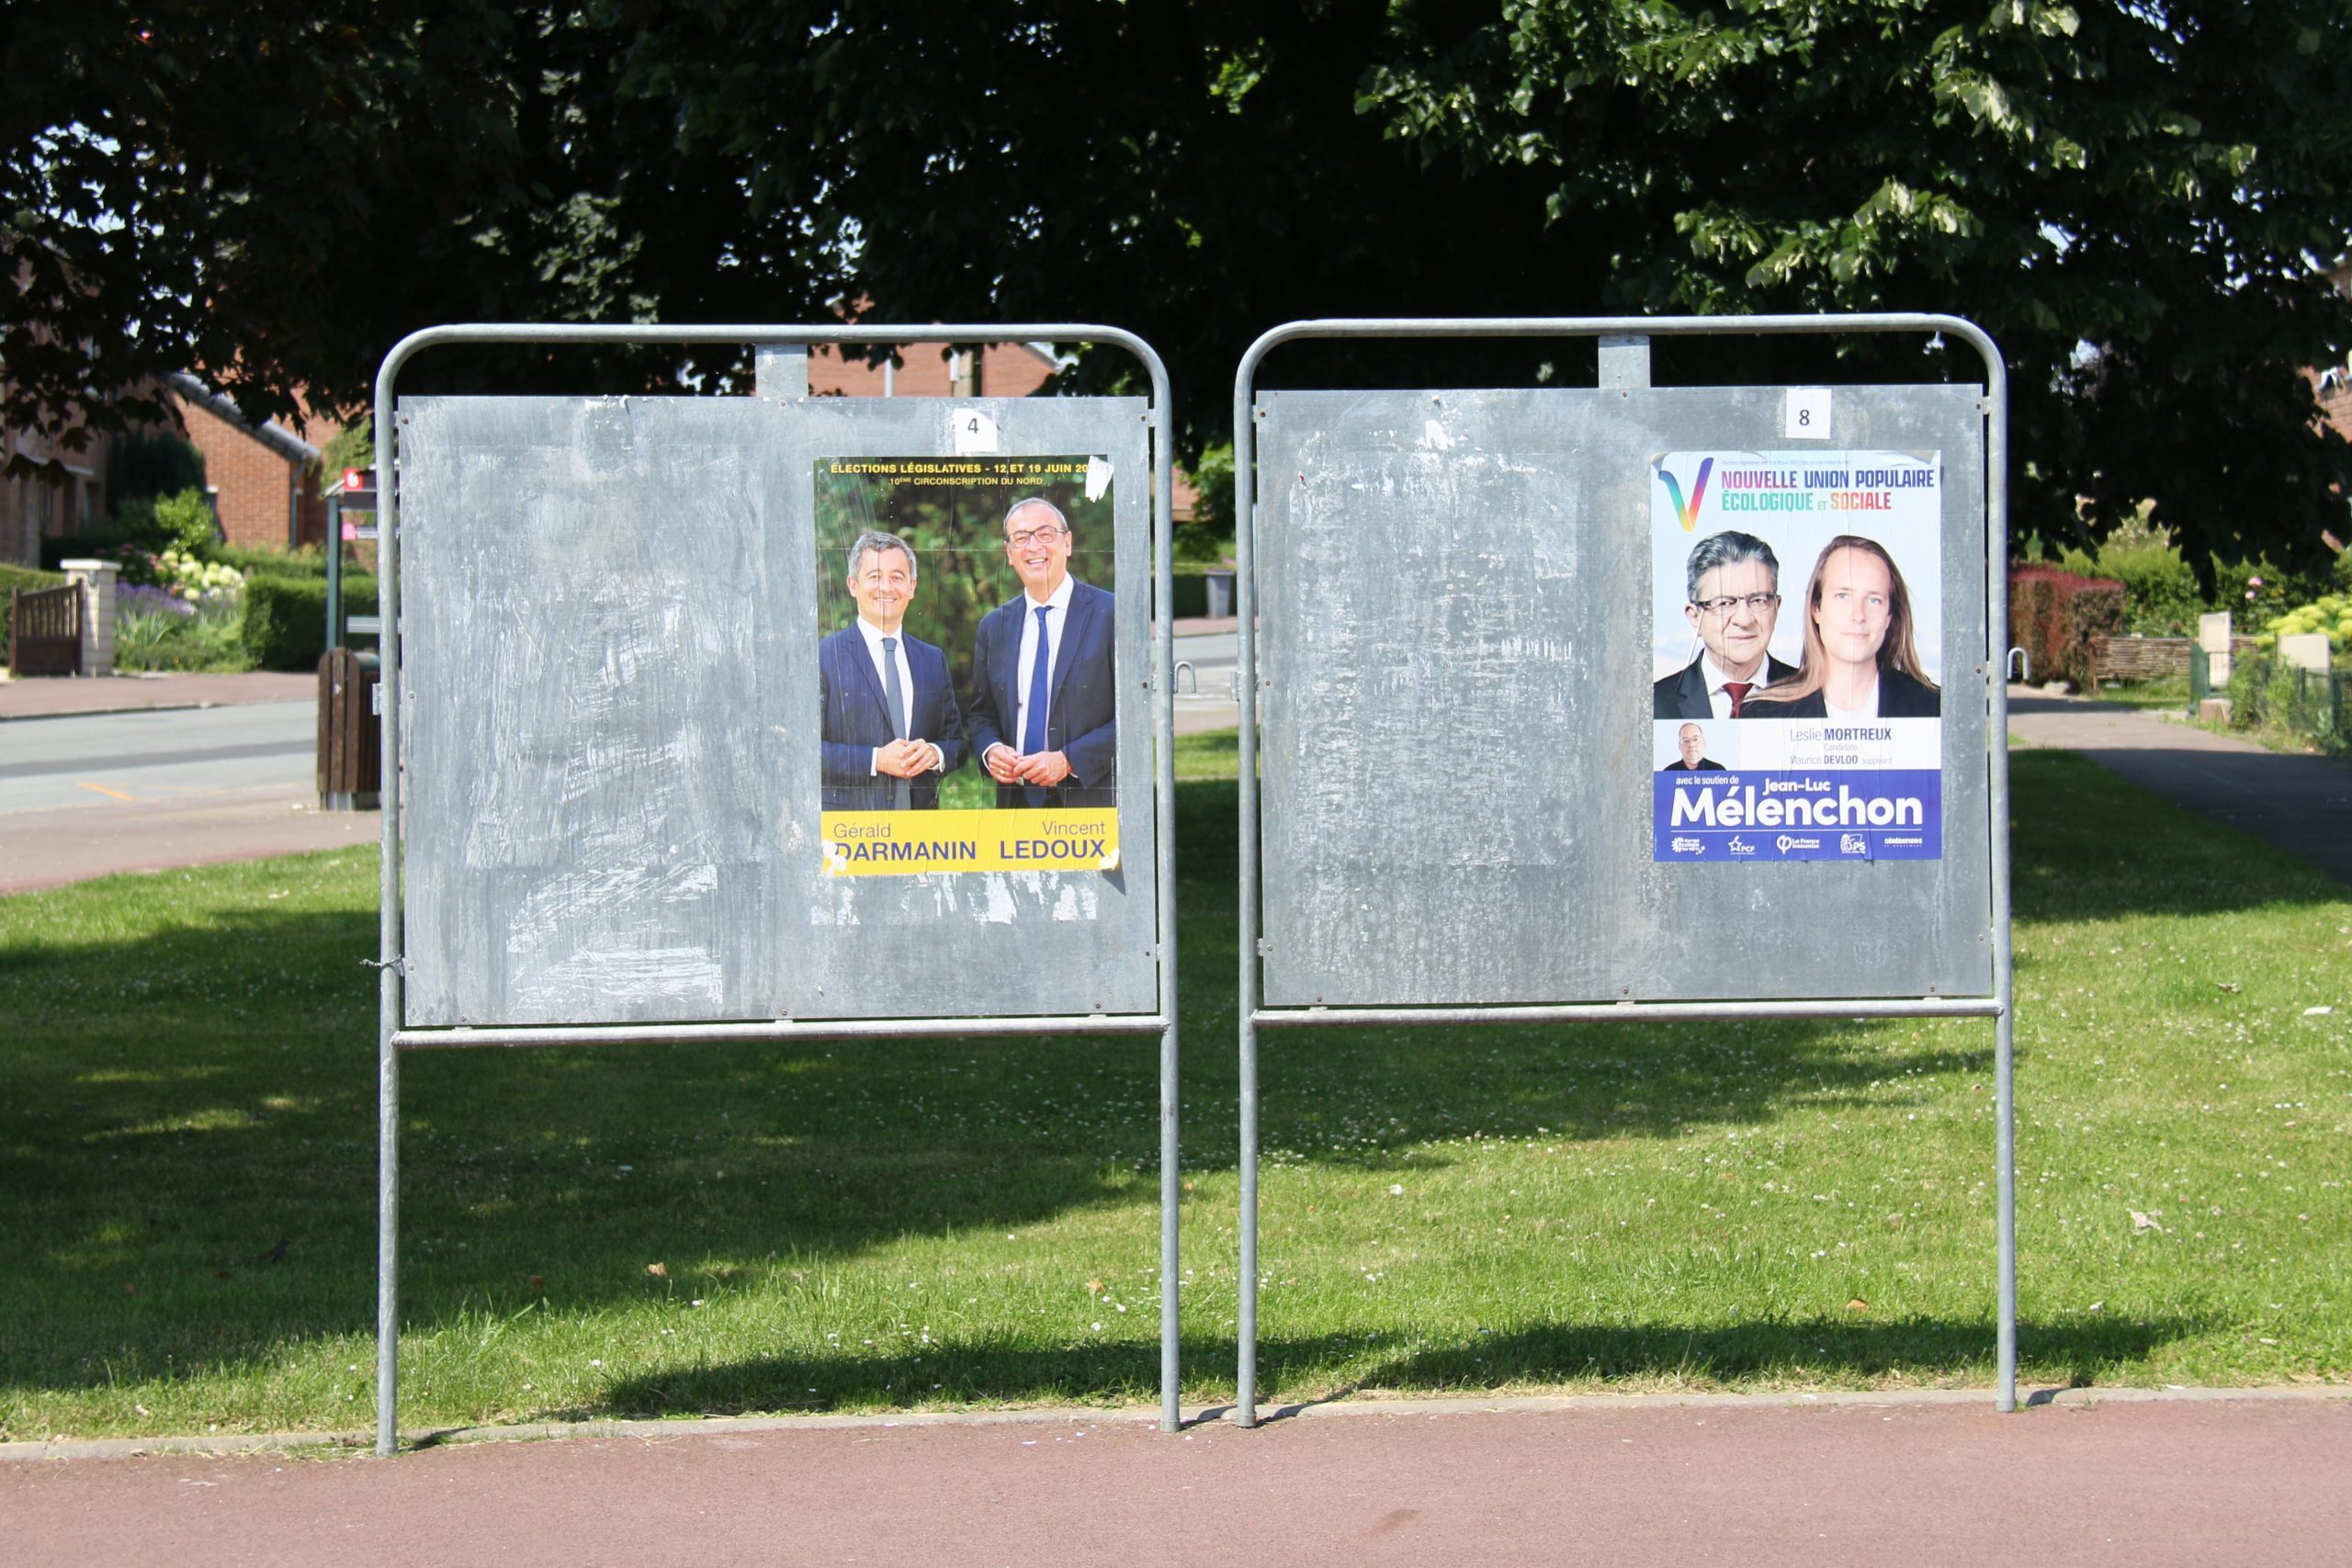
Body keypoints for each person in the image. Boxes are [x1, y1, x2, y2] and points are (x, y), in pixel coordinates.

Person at [966, 497, 1116, 808]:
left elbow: (1136, 715)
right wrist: (991, 750)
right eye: (1020, 538)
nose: (1033, 547)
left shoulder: (1111, 613)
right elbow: (981, 714)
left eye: (1045, 534)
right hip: (1016, 806)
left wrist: (1069, 760)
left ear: (1068, 543)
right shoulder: (995, 627)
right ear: (1009, 553)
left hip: (1091, 803)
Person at [819, 530, 967, 809]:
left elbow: (956, 743)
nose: (886, 587)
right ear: (853, 585)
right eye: (874, 576)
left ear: (912, 587)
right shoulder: (822, 658)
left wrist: (934, 754)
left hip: (920, 835)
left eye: (897, 577)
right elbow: (804, 751)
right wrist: (877, 759)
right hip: (849, 835)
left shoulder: (932, 660)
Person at [1741, 535, 1940, 719]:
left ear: (1889, 617)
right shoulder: (1762, 714)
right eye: (1843, 596)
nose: (1858, 615)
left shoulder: (1935, 707)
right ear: (1816, 609)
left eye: (1874, 600)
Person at [1653, 530, 1799, 718]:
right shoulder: (1656, 703)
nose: (1744, 620)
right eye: (1724, 603)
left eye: (1758, 600)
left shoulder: (1815, 695)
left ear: (1776, 607)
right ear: (1695, 616)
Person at [1660, 722, 1724, 772]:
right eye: (1686, 740)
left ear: (1703, 743)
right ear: (1679, 746)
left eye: (1695, 739)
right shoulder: (1669, 772)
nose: (1691, 744)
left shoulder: (1718, 770)